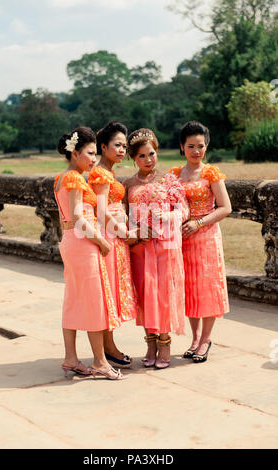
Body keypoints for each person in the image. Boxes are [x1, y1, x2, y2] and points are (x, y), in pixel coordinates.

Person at [54, 126, 127, 380]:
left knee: (73, 298)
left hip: (70, 240)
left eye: (96, 153)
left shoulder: (60, 178)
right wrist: (101, 242)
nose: (94, 159)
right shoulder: (74, 178)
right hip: (82, 240)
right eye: (90, 153)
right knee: (95, 301)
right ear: (75, 153)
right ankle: (99, 361)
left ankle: (71, 358)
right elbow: (77, 217)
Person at [124, 128, 189, 369]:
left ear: (157, 152)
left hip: (165, 245)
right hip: (140, 247)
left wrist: (169, 216)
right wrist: (134, 232)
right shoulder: (128, 183)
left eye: (151, 153)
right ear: (134, 158)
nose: (148, 160)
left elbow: (184, 211)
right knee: (144, 294)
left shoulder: (168, 180)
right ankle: (149, 342)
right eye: (142, 156)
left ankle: (165, 343)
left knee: (163, 294)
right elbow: (125, 216)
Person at [169, 121, 231, 363]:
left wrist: (199, 223)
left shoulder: (210, 173)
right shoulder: (174, 175)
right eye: (191, 146)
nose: (196, 151)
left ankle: (205, 339)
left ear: (207, 146)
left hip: (206, 237)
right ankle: (194, 338)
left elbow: (226, 207)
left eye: (201, 146)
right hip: (182, 239)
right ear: (182, 147)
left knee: (207, 288)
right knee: (189, 288)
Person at [88, 121, 138, 369]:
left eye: (124, 146)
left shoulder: (108, 172)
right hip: (108, 235)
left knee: (112, 289)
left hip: (114, 235)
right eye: (117, 145)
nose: (122, 150)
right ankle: (108, 348)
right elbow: (102, 209)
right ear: (103, 146)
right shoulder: (100, 173)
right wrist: (123, 231)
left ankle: (109, 346)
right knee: (107, 290)